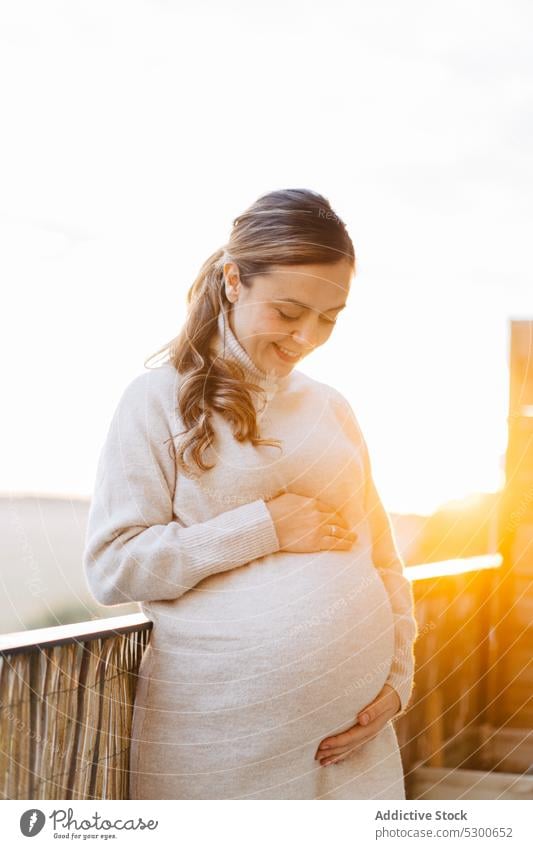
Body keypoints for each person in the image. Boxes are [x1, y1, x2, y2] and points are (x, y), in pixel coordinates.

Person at [83, 187, 418, 800]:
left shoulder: (330, 407)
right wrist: (265, 526)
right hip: (223, 747)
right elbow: (114, 566)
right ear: (234, 281)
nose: (308, 337)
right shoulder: (156, 401)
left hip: (356, 753)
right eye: (289, 312)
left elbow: (383, 560)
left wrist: (398, 678)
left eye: (329, 318)